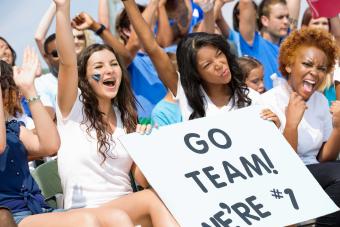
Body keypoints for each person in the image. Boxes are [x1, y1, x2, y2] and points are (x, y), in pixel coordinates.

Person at [54, 0, 179, 225]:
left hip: (127, 206)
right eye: (98, 67)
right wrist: (62, 9)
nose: (109, 70)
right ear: (84, 78)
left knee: (158, 198)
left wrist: (146, 146)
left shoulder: (126, 117)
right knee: (145, 204)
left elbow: (141, 180)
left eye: (113, 64)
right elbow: (67, 63)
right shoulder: (72, 110)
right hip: (85, 213)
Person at [0, 50, 135, 227]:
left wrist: (29, 89)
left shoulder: (13, 128)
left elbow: (50, 145)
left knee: (116, 217)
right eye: (10, 87)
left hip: (40, 211)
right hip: (12, 217)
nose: (16, 94)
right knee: (86, 221)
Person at [121, 0, 280, 127]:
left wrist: (275, 125)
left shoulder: (250, 96)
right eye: (207, 65)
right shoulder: (188, 97)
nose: (219, 64)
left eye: (219, 54)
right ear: (196, 73)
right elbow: (152, 47)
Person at [261, 28, 340, 226]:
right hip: (282, 177)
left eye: (321, 69)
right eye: (307, 64)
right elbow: (280, 165)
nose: (315, 72)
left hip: (313, 172)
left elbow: (324, 158)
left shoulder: (320, 101)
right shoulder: (267, 102)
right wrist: (291, 125)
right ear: (288, 65)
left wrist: (338, 128)